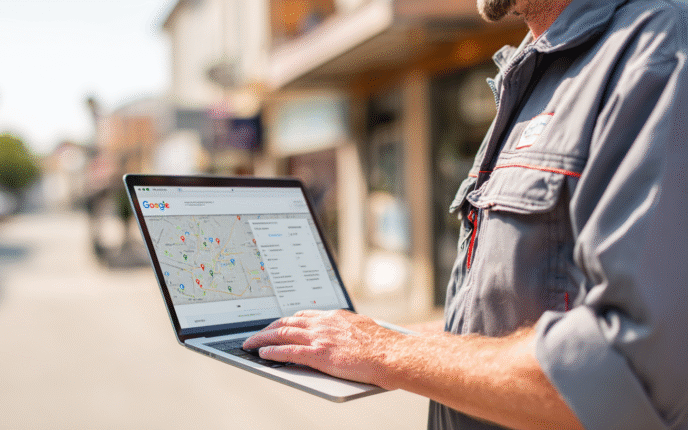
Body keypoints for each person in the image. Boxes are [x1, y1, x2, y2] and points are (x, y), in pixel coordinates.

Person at [244, 0, 688, 428]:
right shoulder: (537, 71)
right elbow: (500, 321)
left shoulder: (660, 49)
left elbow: (626, 372)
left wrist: (385, 351)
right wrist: (355, 335)